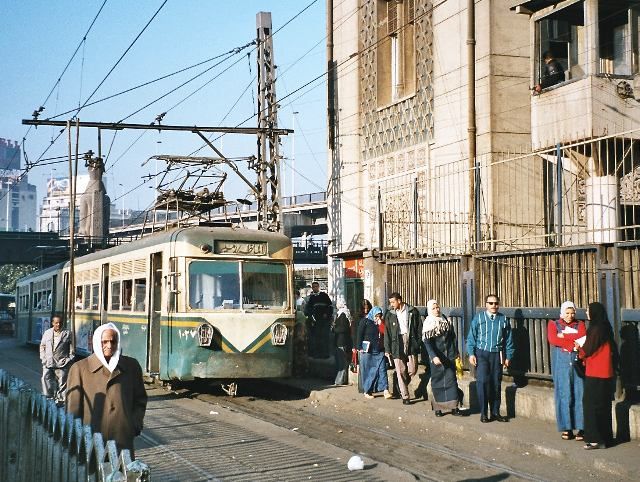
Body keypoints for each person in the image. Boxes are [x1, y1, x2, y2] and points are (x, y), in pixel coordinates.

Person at [66, 323, 147, 458]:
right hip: (91, 440)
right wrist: (76, 437)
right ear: (97, 342)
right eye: (105, 342)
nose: (109, 346)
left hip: (123, 439)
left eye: (113, 341)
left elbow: (140, 399)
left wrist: (134, 425)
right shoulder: (80, 368)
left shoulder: (131, 366)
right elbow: (73, 409)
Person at [467, 294, 514, 423]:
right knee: (482, 382)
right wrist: (471, 353)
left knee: (495, 383)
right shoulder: (479, 318)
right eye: (491, 303)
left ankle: (495, 412)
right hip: (482, 354)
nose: (494, 306)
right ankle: (484, 413)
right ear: (486, 304)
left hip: (497, 354)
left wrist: (508, 356)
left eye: (496, 303)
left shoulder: (503, 319)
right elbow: (471, 337)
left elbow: (509, 340)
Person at [577, 302, 618, 450]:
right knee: (603, 405)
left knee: (591, 405)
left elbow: (588, 349)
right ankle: (606, 438)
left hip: (595, 371)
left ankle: (595, 439)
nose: (587, 313)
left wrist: (579, 349)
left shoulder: (596, 329)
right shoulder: (605, 327)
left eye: (588, 311)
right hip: (606, 372)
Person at [548, 301, 586, 441]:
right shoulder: (553, 324)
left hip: (577, 363)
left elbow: (582, 338)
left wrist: (563, 336)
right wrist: (572, 342)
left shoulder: (580, 324)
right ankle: (567, 428)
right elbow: (552, 339)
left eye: (572, 313)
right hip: (561, 364)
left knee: (579, 393)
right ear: (562, 313)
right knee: (564, 394)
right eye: (567, 313)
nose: (570, 316)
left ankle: (582, 427)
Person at [423, 300, 462, 417]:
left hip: (449, 356)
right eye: (434, 308)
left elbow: (453, 337)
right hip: (437, 357)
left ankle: (454, 407)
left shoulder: (445, 319)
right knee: (437, 382)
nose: (436, 310)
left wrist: (456, 352)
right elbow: (427, 343)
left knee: (451, 381)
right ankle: (438, 408)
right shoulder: (428, 323)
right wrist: (433, 356)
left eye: (438, 307)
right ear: (430, 310)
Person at [384, 292, 422, 405]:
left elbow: (418, 327)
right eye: (390, 302)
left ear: (399, 301)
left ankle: (399, 383)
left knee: (412, 369)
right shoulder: (389, 314)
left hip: (410, 340)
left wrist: (417, 342)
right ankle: (405, 396)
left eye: (393, 302)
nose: (391, 304)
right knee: (400, 370)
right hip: (396, 342)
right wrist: (387, 349)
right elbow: (387, 333)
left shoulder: (412, 311)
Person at [39, 314, 74, 405]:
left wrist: (68, 359)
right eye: (56, 323)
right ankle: (49, 399)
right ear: (52, 323)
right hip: (48, 362)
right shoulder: (47, 333)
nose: (58, 325)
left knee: (62, 383)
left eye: (60, 323)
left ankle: (61, 402)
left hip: (62, 363)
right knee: (46, 379)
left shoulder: (67, 333)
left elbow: (72, 349)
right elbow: (42, 346)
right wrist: (43, 359)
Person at [358, 306, 391, 399]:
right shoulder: (365, 321)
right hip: (368, 350)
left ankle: (385, 389)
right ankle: (367, 390)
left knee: (382, 369)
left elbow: (385, 333)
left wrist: (380, 324)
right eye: (376, 316)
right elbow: (359, 334)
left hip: (379, 349)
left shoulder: (381, 323)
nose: (378, 318)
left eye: (379, 316)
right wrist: (358, 347)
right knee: (369, 370)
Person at [304, 281, 333, 358]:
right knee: (316, 338)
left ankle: (325, 354)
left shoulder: (324, 295)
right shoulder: (312, 298)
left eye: (316, 286)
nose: (315, 288)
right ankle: (317, 354)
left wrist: (327, 314)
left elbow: (330, 306)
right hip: (316, 322)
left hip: (324, 321)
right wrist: (311, 316)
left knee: (324, 337)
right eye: (313, 287)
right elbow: (308, 309)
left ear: (318, 287)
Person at [333, 299, 353, 385]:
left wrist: (334, 329)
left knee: (342, 363)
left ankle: (340, 380)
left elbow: (343, 329)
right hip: (341, 341)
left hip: (342, 341)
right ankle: (340, 380)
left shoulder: (343, 315)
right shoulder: (342, 314)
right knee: (341, 362)